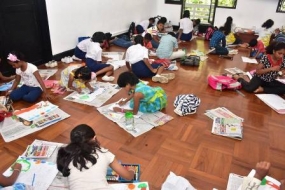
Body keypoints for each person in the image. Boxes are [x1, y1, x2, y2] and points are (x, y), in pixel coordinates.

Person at [56, 124, 134, 190]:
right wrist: (131, 171)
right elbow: (128, 177)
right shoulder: (105, 153)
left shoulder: (67, 155)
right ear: (94, 138)